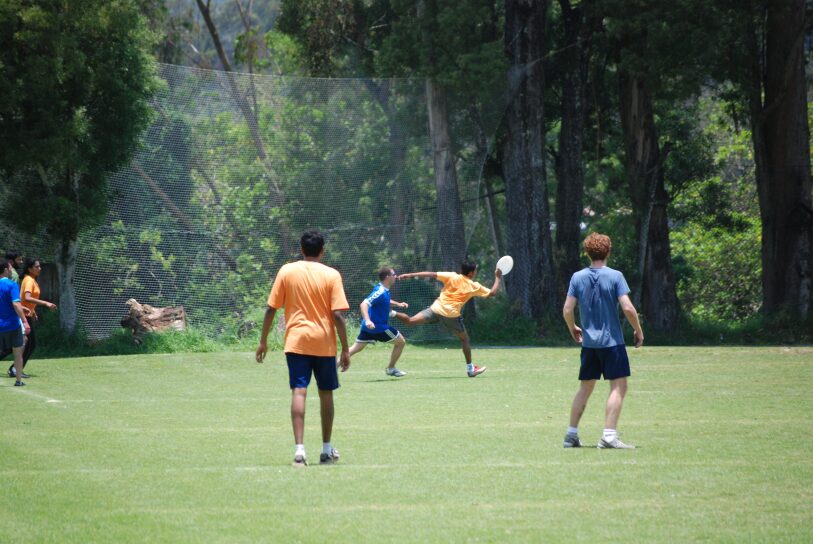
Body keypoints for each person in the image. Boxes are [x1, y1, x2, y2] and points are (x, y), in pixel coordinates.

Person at [255, 230, 351, 467]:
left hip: (296, 341)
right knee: (326, 393)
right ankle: (326, 450)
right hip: (324, 342)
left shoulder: (287, 271)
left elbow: (271, 309)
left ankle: (299, 452)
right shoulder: (332, 274)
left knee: (299, 391)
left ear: (301, 249)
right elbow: (337, 315)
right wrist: (346, 348)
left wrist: (263, 340)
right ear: (322, 251)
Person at [562, 233, 644, 450]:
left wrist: (573, 327)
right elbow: (627, 307)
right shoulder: (616, 276)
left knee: (585, 388)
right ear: (608, 251)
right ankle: (609, 436)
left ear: (587, 253)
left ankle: (571, 435)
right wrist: (638, 330)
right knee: (618, 387)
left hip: (589, 345)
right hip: (612, 344)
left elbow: (567, 309)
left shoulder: (577, 277)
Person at [394, 259, 501, 377]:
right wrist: (498, 277)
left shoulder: (452, 276)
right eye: (475, 270)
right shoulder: (473, 286)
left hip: (436, 309)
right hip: (451, 315)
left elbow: (431, 274)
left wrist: (410, 275)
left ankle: (391, 312)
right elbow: (493, 293)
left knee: (410, 321)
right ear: (471, 273)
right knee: (465, 340)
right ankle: (471, 369)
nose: (476, 272)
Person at [347, 267, 410, 377]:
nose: (396, 276)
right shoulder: (380, 291)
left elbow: (385, 300)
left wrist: (398, 304)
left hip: (369, 328)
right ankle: (391, 368)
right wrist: (367, 320)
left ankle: (331, 368)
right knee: (401, 342)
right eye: (393, 274)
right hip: (379, 328)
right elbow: (364, 304)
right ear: (387, 277)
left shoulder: (383, 290)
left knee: (355, 349)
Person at [8, 258, 57, 378]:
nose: (39, 268)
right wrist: (46, 303)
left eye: (40, 266)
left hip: (28, 314)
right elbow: (27, 297)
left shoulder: (31, 280)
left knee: (29, 344)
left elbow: (27, 300)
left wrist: (33, 310)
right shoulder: (29, 280)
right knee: (28, 344)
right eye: (37, 267)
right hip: (23, 315)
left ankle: (15, 368)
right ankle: (14, 369)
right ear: (30, 269)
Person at [0, 260, 30, 386]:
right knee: (17, 352)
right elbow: (15, 304)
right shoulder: (12, 285)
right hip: (12, 325)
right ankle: (18, 380)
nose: (11, 270)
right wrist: (24, 321)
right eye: (10, 268)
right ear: (6, 270)